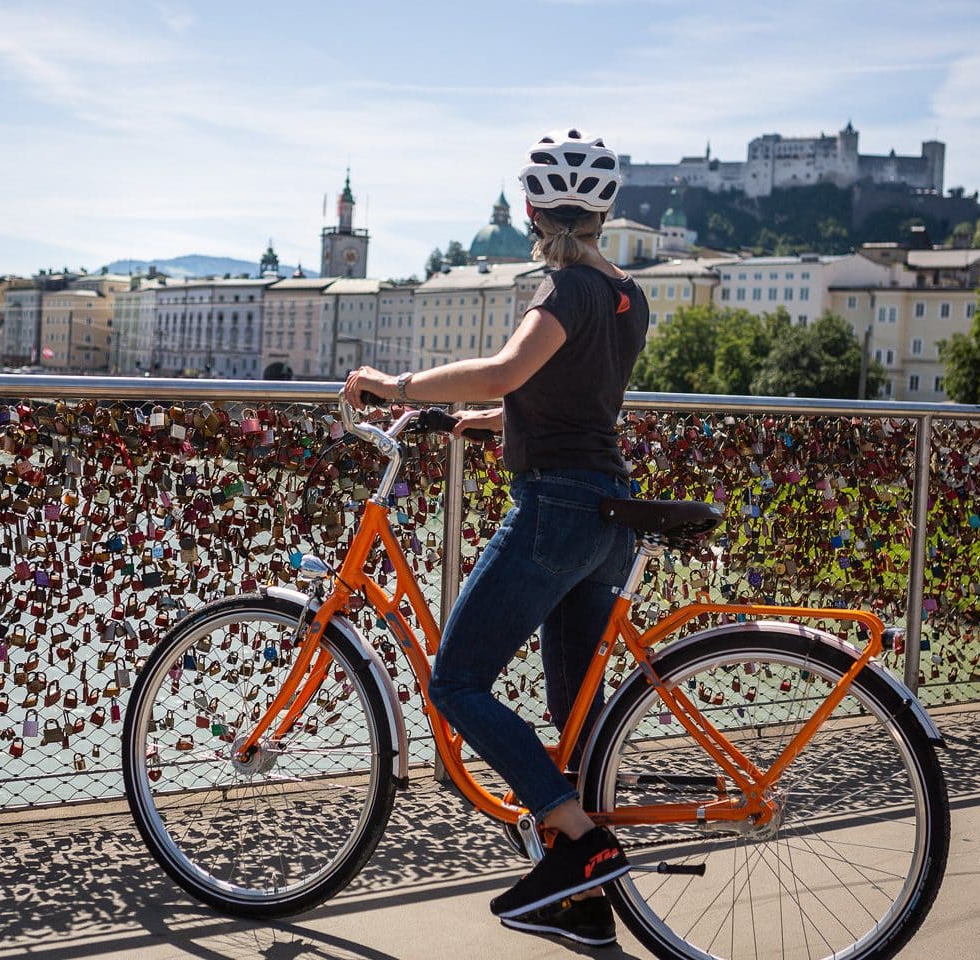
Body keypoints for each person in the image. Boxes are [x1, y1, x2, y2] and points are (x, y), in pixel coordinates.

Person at [345, 129, 649, 947]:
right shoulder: (627, 296)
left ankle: (581, 845)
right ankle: (585, 906)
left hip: (556, 511)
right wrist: (479, 424)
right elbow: (571, 402)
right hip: (607, 510)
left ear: (529, 210)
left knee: (456, 684)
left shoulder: (566, 291)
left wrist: (393, 384)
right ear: (605, 211)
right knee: (572, 715)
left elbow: (509, 370)